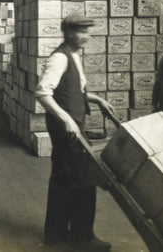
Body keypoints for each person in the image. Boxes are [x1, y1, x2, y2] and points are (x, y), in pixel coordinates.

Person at [35, 14, 114, 251]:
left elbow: (71, 91)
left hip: (70, 125)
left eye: (88, 32)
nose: (87, 37)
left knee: (64, 179)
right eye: (82, 32)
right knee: (83, 178)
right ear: (68, 33)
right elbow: (42, 93)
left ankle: (57, 236)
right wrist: (66, 118)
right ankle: (82, 237)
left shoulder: (73, 57)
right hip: (66, 128)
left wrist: (96, 99)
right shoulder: (59, 58)